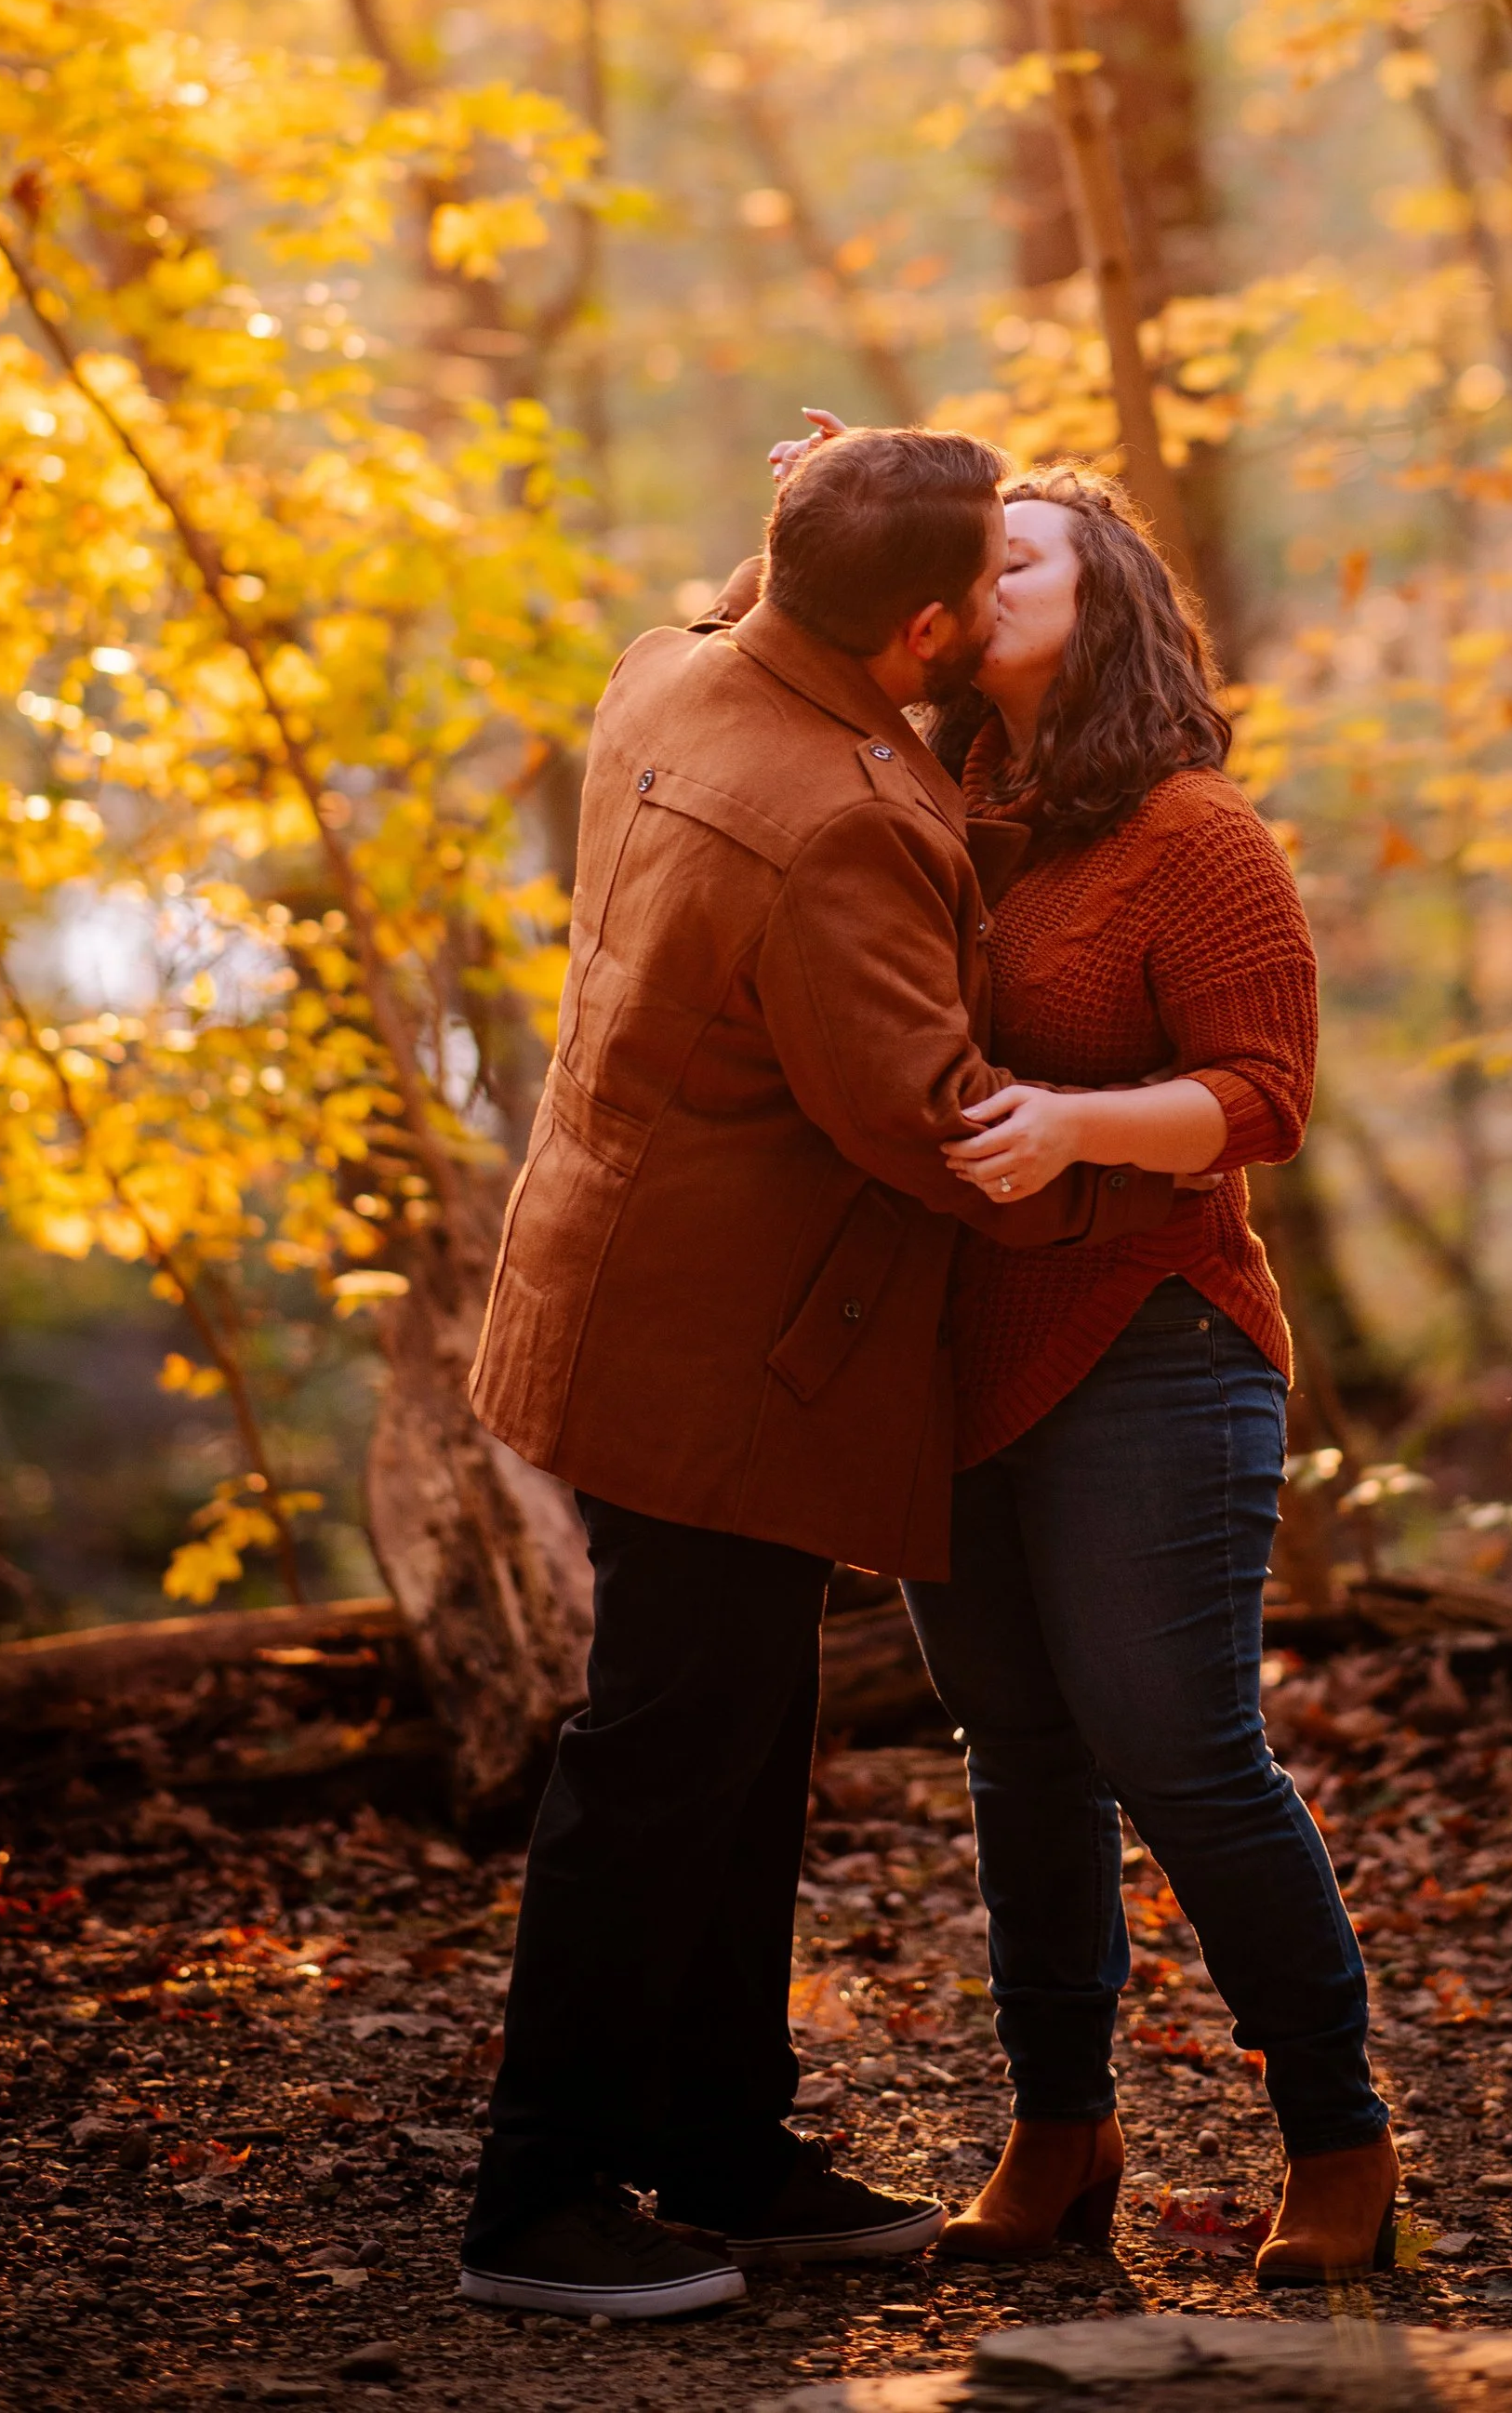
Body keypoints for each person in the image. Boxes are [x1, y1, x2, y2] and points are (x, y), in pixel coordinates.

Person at [458, 429, 1182, 2324]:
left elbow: (799, 580)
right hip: (717, 1353)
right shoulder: (832, 817)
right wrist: (1146, 1166)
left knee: (737, 1737)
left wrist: (835, 482)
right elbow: (933, 1125)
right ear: (926, 624)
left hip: (627, 1297)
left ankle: (718, 2139)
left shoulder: (684, 664)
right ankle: (536, 2195)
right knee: (662, 1752)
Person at [910, 463, 1398, 2288]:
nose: (975, 582)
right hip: (953, 1362)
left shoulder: (1196, 837)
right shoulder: (946, 810)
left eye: (1011, 555)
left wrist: (1071, 1131)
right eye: (960, 566)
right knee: (1014, 1759)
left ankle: (1337, 2139)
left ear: (1100, 597)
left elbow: (1261, 1098)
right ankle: (1059, 2124)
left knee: (1180, 1753)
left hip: (1153, 1343)